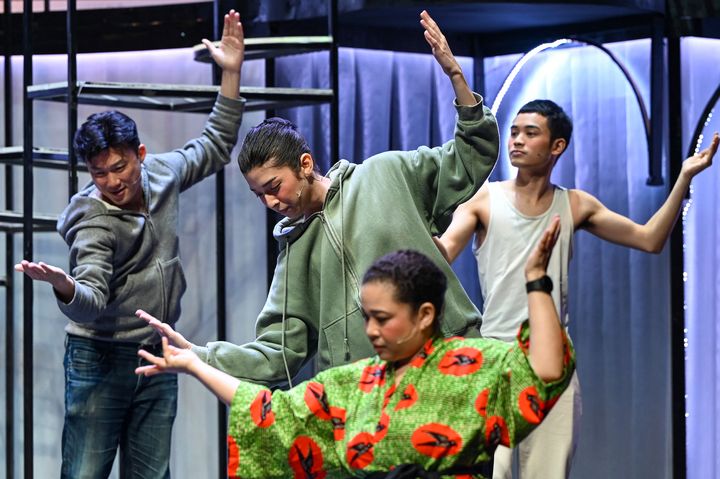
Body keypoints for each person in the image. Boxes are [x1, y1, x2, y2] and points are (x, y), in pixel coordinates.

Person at [139, 10, 500, 387]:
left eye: (273, 187)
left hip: (450, 371)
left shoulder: (387, 173)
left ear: (305, 164)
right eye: (258, 194)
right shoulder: (295, 253)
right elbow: (276, 354)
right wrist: (197, 356)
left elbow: (470, 157)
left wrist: (456, 77)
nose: (270, 203)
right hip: (366, 400)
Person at [136, 218, 575, 479]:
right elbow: (272, 411)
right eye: (366, 317)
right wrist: (194, 364)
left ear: (425, 315)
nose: (371, 330)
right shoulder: (357, 382)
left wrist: (537, 281)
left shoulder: (473, 364)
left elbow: (547, 371)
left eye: (383, 318)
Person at [14, 11, 246, 478]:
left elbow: (216, 144)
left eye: (119, 167)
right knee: (84, 473)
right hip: (100, 356)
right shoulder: (92, 219)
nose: (112, 181)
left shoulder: (162, 174)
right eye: (99, 173)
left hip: (157, 349)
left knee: (151, 474)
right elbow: (90, 300)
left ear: (140, 155)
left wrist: (231, 73)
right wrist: (64, 286)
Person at [433, 99, 719, 479]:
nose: (516, 140)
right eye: (514, 132)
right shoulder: (486, 200)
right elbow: (443, 253)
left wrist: (683, 177)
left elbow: (650, 239)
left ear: (557, 147)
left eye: (530, 133)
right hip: (494, 358)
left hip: (551, 362)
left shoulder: (575, 204)